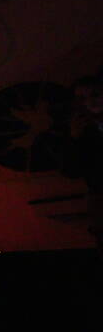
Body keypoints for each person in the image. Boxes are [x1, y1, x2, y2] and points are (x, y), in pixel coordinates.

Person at [62, 73, 103, 257]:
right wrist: (74, 139)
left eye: (95, 94)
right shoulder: (79, 129)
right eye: (82, 98)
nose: (90, 101)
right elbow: (70, 171)